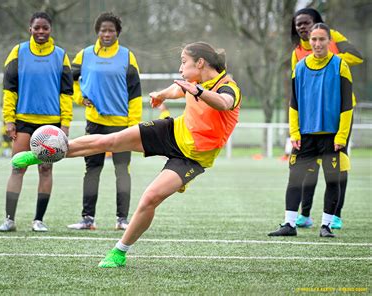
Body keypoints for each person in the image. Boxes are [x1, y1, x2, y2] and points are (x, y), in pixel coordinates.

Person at [13, 41, 242, 267]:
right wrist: (162, 94)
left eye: (184, 62)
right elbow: (179, 88)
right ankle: (45, 153)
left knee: (150, 198)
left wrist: (198, 91)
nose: (181, 68)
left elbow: (223, 103)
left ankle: (119, 252)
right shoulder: (194, 81)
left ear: (200, 63)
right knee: (110, 140)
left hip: (193, 157)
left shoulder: (227, 87)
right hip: (172, 132)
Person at [268, 23, 353, 238]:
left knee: (333, 181)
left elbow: (346, 105)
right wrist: (294, 133)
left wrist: (341, 135)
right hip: (304, 137)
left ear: (329, 41)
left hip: (331, 137)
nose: (317, 44)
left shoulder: (340, 65)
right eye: (313, 39)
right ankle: (289, 224)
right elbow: (294, 104)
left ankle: (326, 226)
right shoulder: (300, 67)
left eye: (321, 39)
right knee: (295, 180)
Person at [0, 12, 73, 232]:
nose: (40, 32)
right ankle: (9, 220)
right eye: (37, 27)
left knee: (46, 170)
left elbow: (66, 93)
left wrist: (65, 124)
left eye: (45, 28)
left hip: (51, 125)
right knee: (18, 167)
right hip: (23, 122)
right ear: (30, 29)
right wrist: (9, 120)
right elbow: (9, 89)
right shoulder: (18, 52)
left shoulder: (60, 55)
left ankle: (38, 220)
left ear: (50, 30)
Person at [67, 12, 142, 231]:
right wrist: (80, 98)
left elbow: (135, 93)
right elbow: (68, 81)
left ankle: (122, 220)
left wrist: (134, 124)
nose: (106, 34)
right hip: (95, 122)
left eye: (111, 30)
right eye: (103, 30)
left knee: (122, 170)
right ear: (97, 32)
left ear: (117, 33)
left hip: (121, 123)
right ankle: (88, 219)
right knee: (92, 169)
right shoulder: (85, 55)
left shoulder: (128, 56)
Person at [289, 8, 363, 230]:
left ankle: (335, 215)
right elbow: (297, 90)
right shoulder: (297, 54)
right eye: (298, 24)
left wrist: (332, 61)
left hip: (336, 114)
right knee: (308, 166)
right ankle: (304, 214)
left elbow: (358, 56)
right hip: (311, 117)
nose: (302, 27)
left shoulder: (334, 40)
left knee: (336, 166)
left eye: (307, 23)